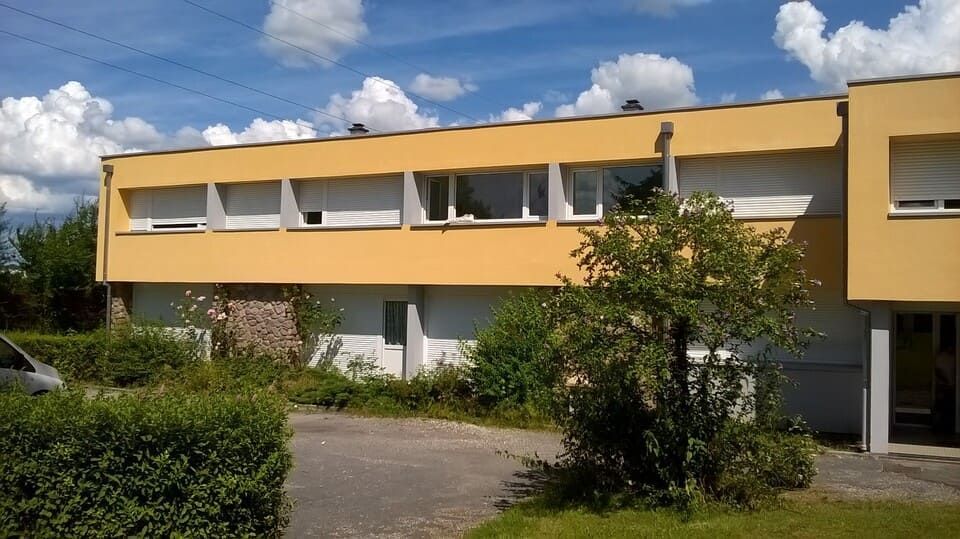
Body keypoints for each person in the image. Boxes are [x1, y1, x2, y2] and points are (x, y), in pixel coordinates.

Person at [933, 343, 957, 435]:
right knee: (941, 407)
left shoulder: (953, 357)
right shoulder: (942, 357)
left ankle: (945, 427)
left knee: (947, 407)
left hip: (950, 386)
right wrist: (946, 381)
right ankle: (938, 426)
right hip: (943, 386)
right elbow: (938, 371)